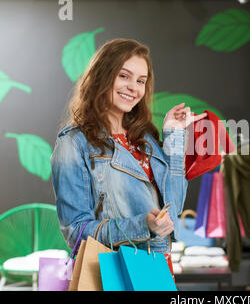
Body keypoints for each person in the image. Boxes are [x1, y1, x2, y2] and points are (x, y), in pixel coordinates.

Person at [50, 38, 206, 277]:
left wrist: (173, 137)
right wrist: (142, 226)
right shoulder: (73, 143)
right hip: (115, 272)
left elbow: (172, 212)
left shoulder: (145, 137)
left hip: (159, 269)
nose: (134, 87)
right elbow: (76, 232)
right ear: (102, 76)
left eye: (141, 81)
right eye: (124, 76)